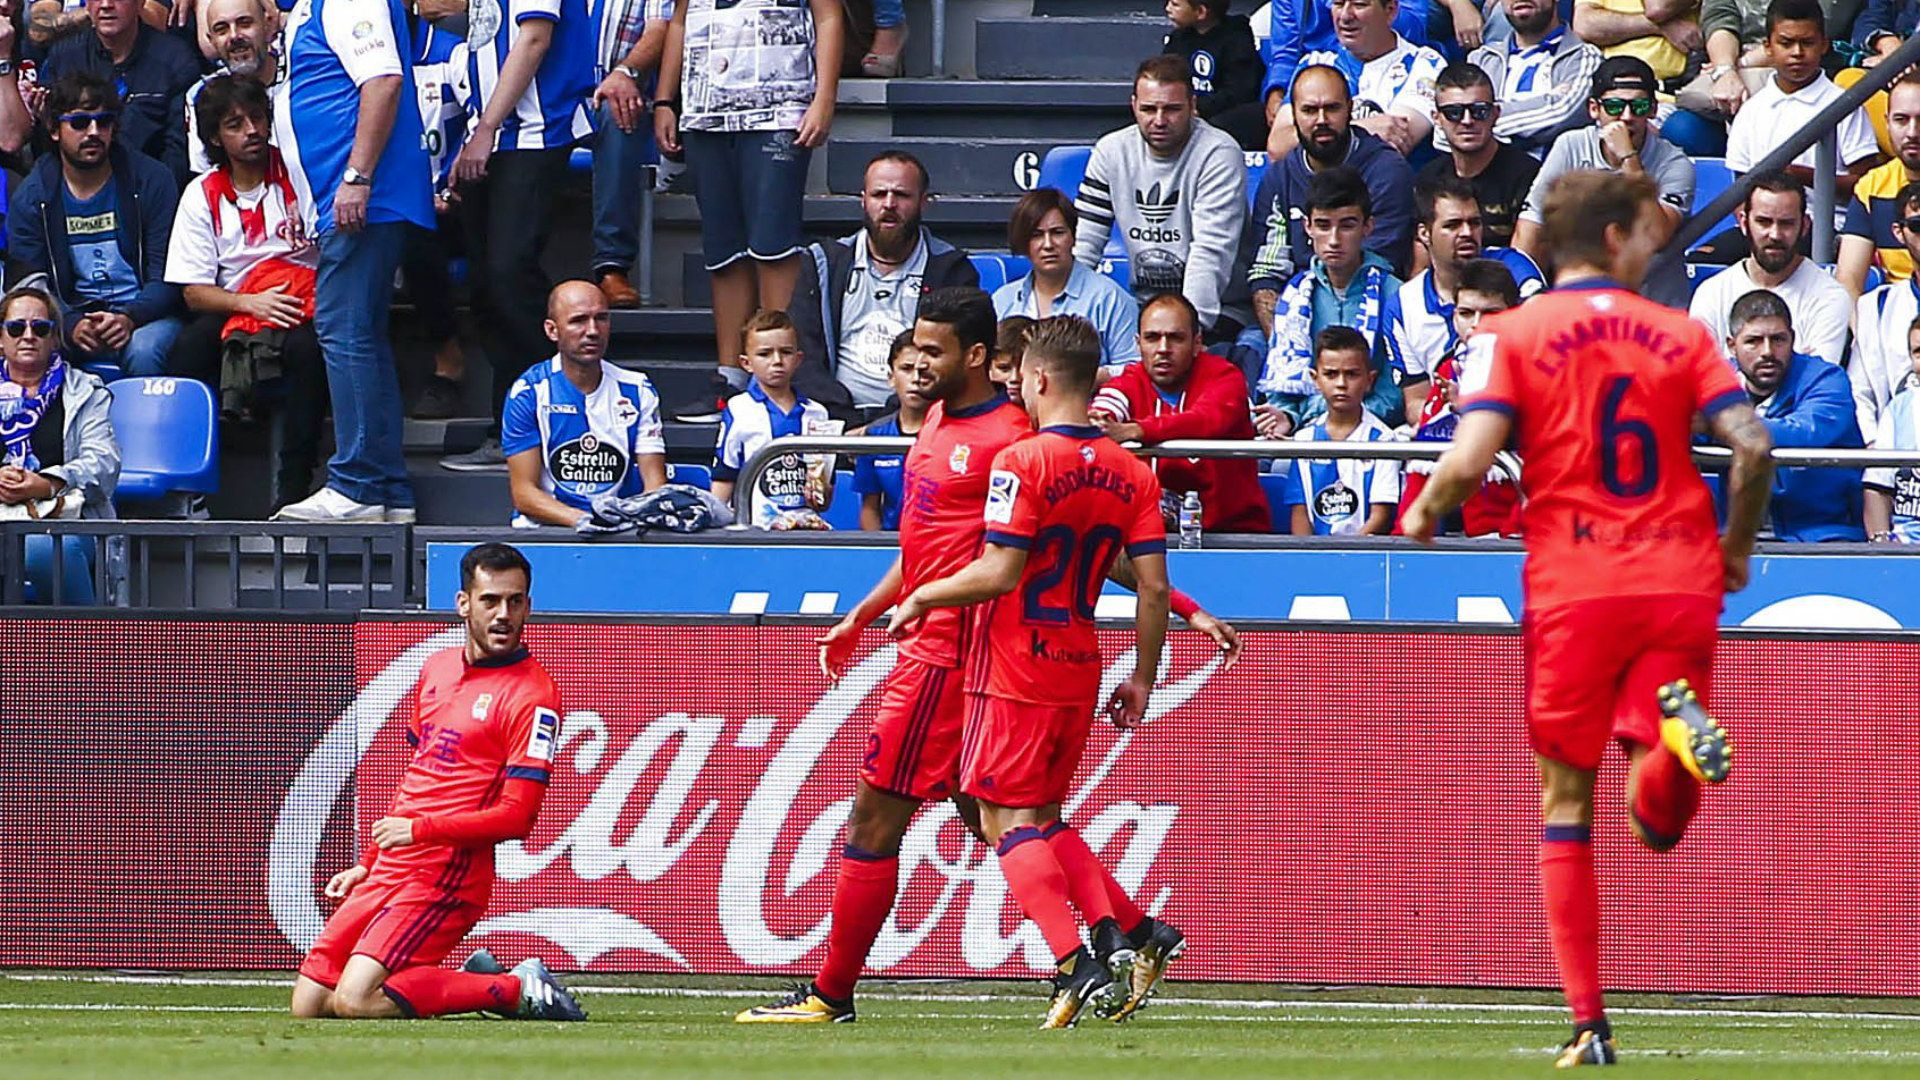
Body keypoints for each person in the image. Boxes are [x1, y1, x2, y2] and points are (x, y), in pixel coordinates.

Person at [736, 292, 1237, 1026]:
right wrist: (863, 614)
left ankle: (833, 994)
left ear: (978, 358)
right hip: (958, 641)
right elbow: (926, 547)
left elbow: (1047, 548)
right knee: (1004, 819)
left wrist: (1185, 607)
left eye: (931, 353)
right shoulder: (937, 421)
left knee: (883, 821)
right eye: (911, 351)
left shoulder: (1015, 441)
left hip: (957, 656)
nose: (914, 367)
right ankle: (1133, 930)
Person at [1403, 169, 1775, 1068]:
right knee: (1657, 819)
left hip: (1575, 583)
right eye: (1648, 231)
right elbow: (1753, 444)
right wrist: (1732, 548)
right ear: (1613, 240)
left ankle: (1588, 1023)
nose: (1658, 243)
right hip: (1680, 575)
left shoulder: (1514, 333)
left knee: (1566, 803)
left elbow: (1471, 456)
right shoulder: (1680, 332)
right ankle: (1676, 744)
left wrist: (1421, 513)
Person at [883, 315, 1173, 1029]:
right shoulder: (1133, 472)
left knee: (1001, 819)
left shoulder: (1024, 461)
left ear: (1039, 379)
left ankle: (1074, 961)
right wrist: (1143, 677)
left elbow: (1001, 568)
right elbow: (1154, 588)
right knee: (1042, 817)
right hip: (1081, 664)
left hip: (1014, 666)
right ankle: (1132, 932)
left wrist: (922, 592)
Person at [291, 543, 587, 1022]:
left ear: (529, 606)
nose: (503, 614)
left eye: (515, 601)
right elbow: (420, 778)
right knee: (308, 1006)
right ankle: (466, 980)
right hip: (396, 863)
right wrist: (370, 861)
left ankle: (513, 988)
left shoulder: (533, 696)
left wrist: (421, 832)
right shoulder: (437, 668)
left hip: (447, 874)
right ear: (463, 602)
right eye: (490, 600)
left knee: (355, 1000)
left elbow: (517, 818)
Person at [269, 0, 434, 523]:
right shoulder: (306, 11)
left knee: (344, 332)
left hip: (365, 199)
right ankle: (385, 491)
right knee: (357, 333)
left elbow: (383, 82)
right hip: (342, 202)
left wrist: (357, 178)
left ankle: (359, 483)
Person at [653, 0, 841, 423]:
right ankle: (731, 378)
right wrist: (665, 99)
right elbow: (679, 20)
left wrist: (825, 96)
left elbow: (828, 15)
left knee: (774, 248)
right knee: (723, 253)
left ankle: (784, 376)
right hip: (705, 113)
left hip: (778, 109)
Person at [435, 0, 596, 473]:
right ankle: (511, 427)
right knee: (486, 287)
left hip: (531, 133)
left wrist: (486, 126)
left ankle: (564, 411)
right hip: (487, 136)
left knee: (509, 273)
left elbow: (534, 37)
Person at [164, 75, 325, 513]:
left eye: (257, 118)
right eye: (235, 124)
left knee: (309, 350)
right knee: (189, 346)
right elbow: (194, 292)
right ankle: (188, 485)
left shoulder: (300, 171)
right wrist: (248, 303)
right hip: (236, 304)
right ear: (215, 136)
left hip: (303, 302)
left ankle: (294, 488)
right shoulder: (201, 194)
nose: (252, 130)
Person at [7, 72, 182, 381]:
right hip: (66, 319)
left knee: (144, 351)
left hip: (144, 316)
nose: (94, 132)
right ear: (54, 129)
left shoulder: (153, 179)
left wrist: (130, 316)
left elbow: (169, 275)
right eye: (79, 123)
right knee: (28, 345)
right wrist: (70, 322)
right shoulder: (33, 196)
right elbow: (29, 282)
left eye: (104, 122)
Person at [788, 151, 979, 422]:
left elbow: (951, 365)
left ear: (924, 202)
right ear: (863, 201)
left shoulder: (952, 271)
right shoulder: (823, 264)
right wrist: (844, 422)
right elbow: (803, 356)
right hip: (830, 422)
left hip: (917, 425)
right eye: (879, 194)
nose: (889, 204)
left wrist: (886, 424)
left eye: (902, 195)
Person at [1074, 55, 1249, 337]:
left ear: (1193, 106)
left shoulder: (1218, 153)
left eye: (1171, 109)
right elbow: (1083, 245)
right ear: (1133, 106)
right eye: (1148, 109)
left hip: (1217, 311)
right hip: (1140, 305)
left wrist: (1184, 334)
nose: (1159, 120)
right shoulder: (1110, 151)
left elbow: (1210, 254)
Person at [1513, 57, 1695, 308]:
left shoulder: (1674, 162)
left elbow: (1656, 235)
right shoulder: (1570, 146)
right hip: (1580, 305)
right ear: (1593, 109)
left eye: (1639, 106)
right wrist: (1528, 294)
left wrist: (1629, 159)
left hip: (1653, 306)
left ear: (1653, 110)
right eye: (1614, 106)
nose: (1627, 116)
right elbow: (1530, 225)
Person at [1090, 292, 1270, 533]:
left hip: (1234, 536)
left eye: (1175, 338)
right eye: (1152, 338)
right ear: (1138, 343)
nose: (1163, 349)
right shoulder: (1131, 380)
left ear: (1197, 343)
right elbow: (1110, 404)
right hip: (1152, 536)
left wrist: (1136, 430)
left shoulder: (1226, 377)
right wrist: (1100, 421)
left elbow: (1205, 421)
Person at [1258, 165, 1416, 431]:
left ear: (1368, 227)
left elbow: (1398, 391)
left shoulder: (1396, 295)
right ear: (1307, 227)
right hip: (1306, 432)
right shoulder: (1294, 295)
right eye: (1323, 225)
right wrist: (1286, 415)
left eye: (1347, 226)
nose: (1334, 239)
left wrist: (1330, 417)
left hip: (1377, 433)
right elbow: (1282, 391)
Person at [1247, 64, 1417, 306]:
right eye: (1309, 110)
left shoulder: (1387, 171)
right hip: (1292, 310)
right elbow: (1266, 275)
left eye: (1332, 108)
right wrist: (1283, 339)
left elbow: (1378, 266)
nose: (1321, 120)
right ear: (1293, 115)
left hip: (1367, 306)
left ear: (1350, 109)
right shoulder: (1279, 177)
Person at [503, 281, 667, 528]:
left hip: (618, 530)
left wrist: (620, 524)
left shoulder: (638, 389)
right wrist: (584, 521)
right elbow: (524, 494)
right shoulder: (529, 392)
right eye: (578, 320)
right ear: (552, 330)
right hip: (545, 532)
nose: (592, 330)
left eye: (601, 318)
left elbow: (654, 484)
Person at [0, 285, 118, 604]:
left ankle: (89, 646)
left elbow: (104, 465)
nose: (28, 335)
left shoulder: (86, 391)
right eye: (15, 327)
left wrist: (48, 482)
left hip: (68, 519)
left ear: (54, 339)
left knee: (41, 546)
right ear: (1, 339)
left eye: (40, 328)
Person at [1391, 174, 1541, 420]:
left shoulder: (1515, 269)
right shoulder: (1402, 304)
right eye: (1452, 225)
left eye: (1474, 223)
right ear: (1424, 233)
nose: (1467, 233)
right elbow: (1416, 400)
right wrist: (1449, 411)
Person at [1723, 288, 1865, 542]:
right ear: (1732, 346)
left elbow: (1805, 431)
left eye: (1778, 339)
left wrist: (1721, 424)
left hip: (1822, 535)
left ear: (1793, 339)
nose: (1767, 351)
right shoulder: (1716, 383)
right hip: (1731, 535)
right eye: (1753, 341)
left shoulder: (1826, 379)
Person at [1396, 257, 1523, 537]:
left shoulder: (1534, 369)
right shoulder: (1447, 368)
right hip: (1463, 535)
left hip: (1514, 536)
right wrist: (1404, 537)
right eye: (1466, 313)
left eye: (1490, 314)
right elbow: (1422, 462)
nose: (1477, 325)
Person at [1723, 0, 1879, 204]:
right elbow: (1739, 192)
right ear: (1768, 47)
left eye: (1807, 43)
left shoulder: (1845, 107)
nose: (1797, 52)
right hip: (1764, 228)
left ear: (1824, 44)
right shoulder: (1751, 110)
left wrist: (1799, 174)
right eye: (1786, 43)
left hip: (1832, 227)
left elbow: (1865, 186)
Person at [1689, 174, 1852, 366]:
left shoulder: (1829, 296)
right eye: (1764, 222)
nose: (1775, 234)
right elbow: (1700, 376)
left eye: (1786, 223)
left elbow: (1815, 380)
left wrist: (1729, 368)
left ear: (1805, 225)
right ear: (1743, 223)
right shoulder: (1711, 293)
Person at [40, 0, 202, 184]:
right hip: (77, 190)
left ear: (141, 3)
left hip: (150, 191)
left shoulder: (176, 59)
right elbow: (48, 150)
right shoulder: (64, 57)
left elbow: (178, 152)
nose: (106, 5)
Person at [993, 188, 1141, 372]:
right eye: (1037, 235)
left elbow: (1134, 369)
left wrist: (1082, 380)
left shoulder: (1110, 298)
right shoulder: (1002, 301)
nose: (1048, 245)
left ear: (1073, 237)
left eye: (1057, 232)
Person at [711, 308, 834, 524]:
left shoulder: (817, 413)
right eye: (764, 353)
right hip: (755, 531)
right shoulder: (739, 409)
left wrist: (819, 494)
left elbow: (824, 498)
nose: (777, 360)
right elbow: (724, 475)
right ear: (746, 363)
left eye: (785, 352)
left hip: (807, 530)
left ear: (798, 359)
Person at [1278, 326, 1401, 535]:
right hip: (1315, 558)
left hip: (1364, 554)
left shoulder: (1384, 441)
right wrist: (1310, 557)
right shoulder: (1304, 440)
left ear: (1369, 380)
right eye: (1331, 374)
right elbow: (1300, 512)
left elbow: (1380, 514)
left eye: (1352, 374)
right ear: (1315, 379)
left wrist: (1347, 555)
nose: (1341, 384)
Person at [588, 0, 672, 308]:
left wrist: (624, 72)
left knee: (619, 109)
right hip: (550, 95)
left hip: (615, 89)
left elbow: (659, 29)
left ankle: (612, 266)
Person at [1291, 0, 1446, 159]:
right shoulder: (1313, 63)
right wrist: (1364, 127)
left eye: (1359, 5)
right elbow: (1278, 145)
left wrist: (1316, 134)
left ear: (1390, 11)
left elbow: (1392, 143)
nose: (1345, 16)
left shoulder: (1426, 63)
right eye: (1338, 3)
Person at [1419, 63, 1543, 249]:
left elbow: (1528, 259)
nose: (1467, 121)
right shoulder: (1429, 178)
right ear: (1436, 118)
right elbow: (1421, 258)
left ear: (1496, 114)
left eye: (1479, 111)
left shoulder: (1528, 174)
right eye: (1454, 112)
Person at [1466, 0, 1603, 156]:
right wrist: (1546, 101)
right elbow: (1444, 133)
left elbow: (1563, 112)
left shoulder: (1584, 57)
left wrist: (1480, 120)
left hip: (1553, 177)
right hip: (1485, 177)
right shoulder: (1480, 59)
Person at [1839, 70, 1920, 296]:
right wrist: (1861, 329)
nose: (1912, 132)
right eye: (1901, 120)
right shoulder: (1872, 186)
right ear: (1887, 123)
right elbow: (1849, 279)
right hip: (1898, 314)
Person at [1851, 181, 1920, 434]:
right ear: (1898, 232)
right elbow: (1861, 391)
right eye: (1917, 226)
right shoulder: (1876, 306)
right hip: (1892, 457)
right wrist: (1875, 448)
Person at [187, 0, 277, 176]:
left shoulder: (301, 74)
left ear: (268, 24)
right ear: (211, 40)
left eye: (245, 23)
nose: (235, 36)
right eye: (222, 29)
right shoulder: (200, 94)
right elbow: (206, 172)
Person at [1163, 0, 1268, 150]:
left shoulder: (1236, 40)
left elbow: (1239, 92)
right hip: (1187, 110)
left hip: (1223, 115)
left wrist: (1198, 108)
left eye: (1175, 4)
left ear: (1201, 12)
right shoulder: (1178, 38)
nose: (1168, 8)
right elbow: (1166, 76)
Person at [850, 330, 925, 531]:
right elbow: (870, 508)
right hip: (890, 544)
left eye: (923, 370)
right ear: (891, 377)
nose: (916, 378)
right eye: (907, 369)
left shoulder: (952, 431)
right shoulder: (875, 435)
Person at [1864, 316, 1920, 543]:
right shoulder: (1898, 410)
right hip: (1906, 547)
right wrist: (1882, 546)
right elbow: (1877, 487)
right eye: (1918, 352)